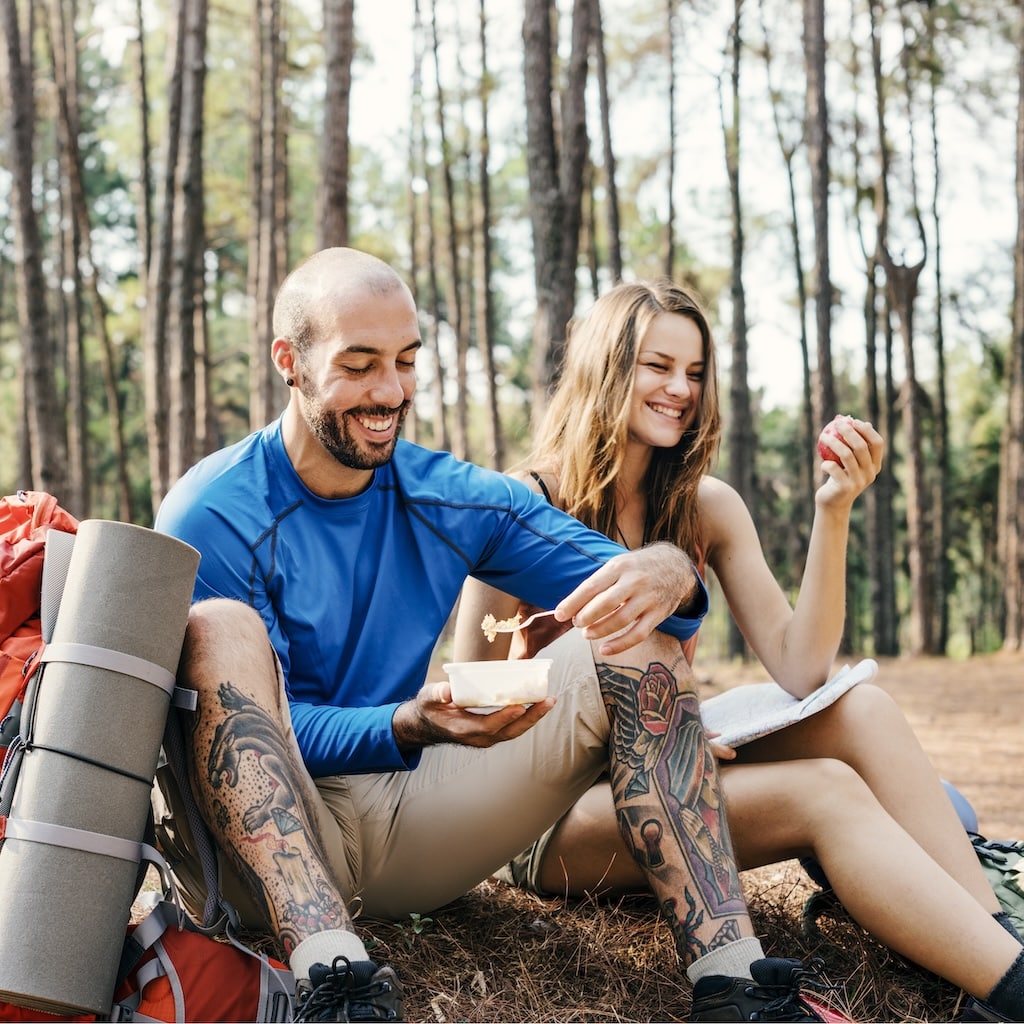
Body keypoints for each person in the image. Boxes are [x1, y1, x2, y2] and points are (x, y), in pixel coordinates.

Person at [153, 247, 833, 1024]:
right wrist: (404, 722)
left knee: (624, 636)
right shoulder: (212, 509)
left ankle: (734, 982)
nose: (390, 392)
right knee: (222, 628)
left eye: (406, 361)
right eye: (360, 364)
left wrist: (671, 568)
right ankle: (334, 985)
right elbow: (254, 734)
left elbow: (639, 595)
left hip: (401, 824)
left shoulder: (451, 495)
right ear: (290, 361)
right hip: (256, 858)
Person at [452, 277, 1024, 1023]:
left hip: (673, 782)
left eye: (694, 372)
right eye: (658, 366)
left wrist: (834, 511)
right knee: (824, 790)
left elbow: (800, 666)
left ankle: (993, 942)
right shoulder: (521, 503)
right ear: (606, 366)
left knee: (866, 709)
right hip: (552, 816)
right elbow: (471, 696)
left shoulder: (703, 506)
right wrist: (650, 734)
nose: (679, 389)